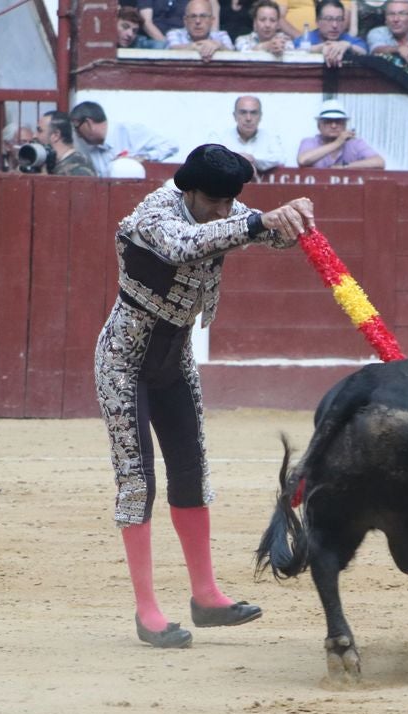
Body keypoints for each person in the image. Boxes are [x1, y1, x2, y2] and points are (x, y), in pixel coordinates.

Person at [95, 144, 315, 649]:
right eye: (216, 201)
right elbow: (184, 245)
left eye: (230, 202)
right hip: (123, 364)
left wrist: (293, 219)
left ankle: (206, 595)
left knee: (193, 474)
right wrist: (259, 224)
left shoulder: (221, 207)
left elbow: (260, 232)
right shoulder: (152, 215)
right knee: (137, 484)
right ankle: (147, 610)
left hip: (174, 363)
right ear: (189, 190)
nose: (225, 209)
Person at [70, 100, 179, 177]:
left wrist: (143, 158)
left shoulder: (130, 131)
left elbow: (171, 146)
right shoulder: (89, 148)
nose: (78, 135)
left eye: (77, 127)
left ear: (88, 123)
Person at [296, 99, 386, 169]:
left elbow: (379, 162)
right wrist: (337, 143)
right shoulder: (309, 142)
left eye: (338, 122)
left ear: (345, 125)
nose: (334, 126)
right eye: (328, 121)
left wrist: (345, 166)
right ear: (319, 126)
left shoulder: (355, 143)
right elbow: (302, 160)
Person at [208, 95, 285, 173]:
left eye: (254, 113)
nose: (248, 118)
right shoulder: (218, 136)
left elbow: (280, 159)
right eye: (243, 112)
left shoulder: (271, 137)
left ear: (260, 116)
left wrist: (254, 160)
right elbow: (210, 158)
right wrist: (237, 159)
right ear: (235, 116)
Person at [296, 0, 369, 66]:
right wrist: (320, 48)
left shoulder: (346, 39)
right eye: (329, 19)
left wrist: (349, 46)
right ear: (317, 21)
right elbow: (294, 50)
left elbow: (364, 51)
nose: (335, 25)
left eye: (339, 19)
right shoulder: (307, 38)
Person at [166, 0, 236, 58]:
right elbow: (172, 49)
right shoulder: (174, 34)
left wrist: (219, 46)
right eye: (193, 16)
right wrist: (199, 47)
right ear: (185, 20)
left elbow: (234, 56)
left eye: (203, 16)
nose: (198, 21)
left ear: (212, 20)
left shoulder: (221, 35)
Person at [38, 111, 98, 176]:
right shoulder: (52, 164)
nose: (35, 136)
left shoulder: (79, 170)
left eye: (40, 131)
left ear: (56, 135)